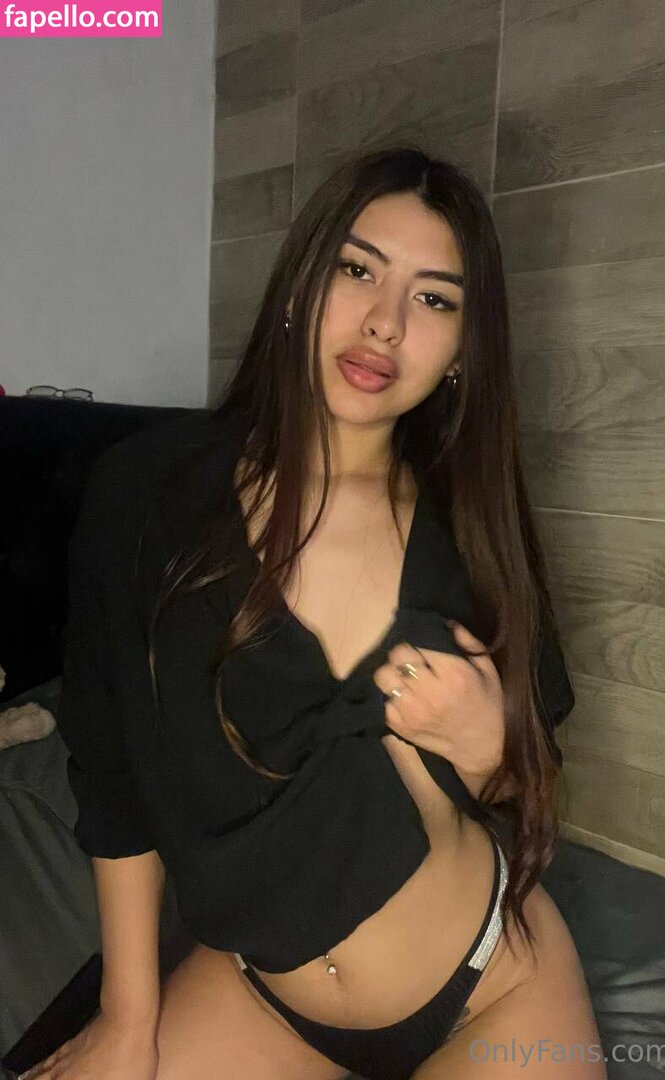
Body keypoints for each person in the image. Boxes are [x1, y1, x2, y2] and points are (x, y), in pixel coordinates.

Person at [30, 146, 607, 1080]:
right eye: (357, 270)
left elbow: (525, 779)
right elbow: (112, 771)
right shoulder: (148, 494)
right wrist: (126, 1016)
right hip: (263, 998)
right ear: (301, 286)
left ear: (463, 351)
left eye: (434, 300)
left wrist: (487, 747)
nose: (385, 323)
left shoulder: (471, 525)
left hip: (490, 988)